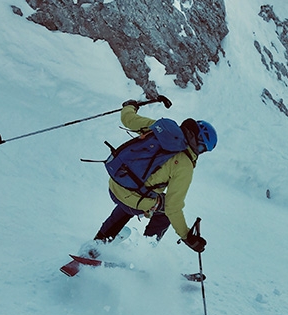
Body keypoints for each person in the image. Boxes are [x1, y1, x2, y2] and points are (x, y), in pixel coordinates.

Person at [93, 100, 217, 253]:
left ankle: (98, 242)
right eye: (203, 149)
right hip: (133, 199)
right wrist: (187, 237)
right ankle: (144, 253)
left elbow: (128, 119)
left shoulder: (161, 130)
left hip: (115, 184)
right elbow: (173, 207)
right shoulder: (185, 165)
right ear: (199, 144)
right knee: (164, 209)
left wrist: (130, 106)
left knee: (137, 193)